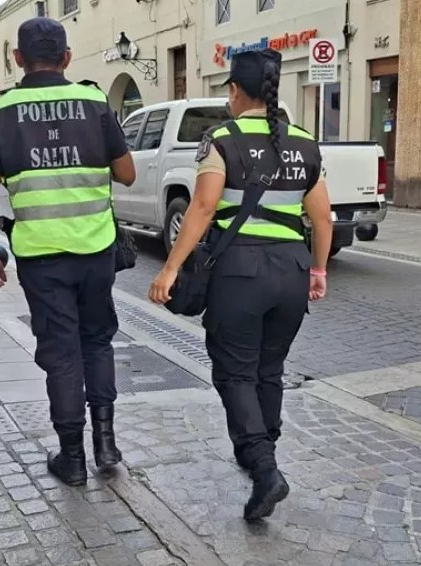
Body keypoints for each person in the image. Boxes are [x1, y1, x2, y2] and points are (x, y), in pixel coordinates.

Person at [148, 49, 332, 521]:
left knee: (235, 372)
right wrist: (317, 271)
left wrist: (170, 268)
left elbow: (203, 207)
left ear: (234, 90)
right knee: (269, 369)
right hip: (291, 271)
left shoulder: (221, 139)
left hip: (240, 273)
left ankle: (264, 469)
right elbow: (321, 218)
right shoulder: (304, 142)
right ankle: (263, 451)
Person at [0, 17, 136, 487]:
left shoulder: (0, 112)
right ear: (66, 58)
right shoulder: (94, 102)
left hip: (41, 256)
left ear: (17, 59)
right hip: (96, 249)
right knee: (97, 341)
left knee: (61, 351)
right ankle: (106, 444)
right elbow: (126, 174)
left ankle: (72, 458)